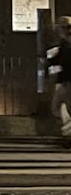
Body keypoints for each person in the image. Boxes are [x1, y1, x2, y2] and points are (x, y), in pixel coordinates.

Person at [47, 15, 71, 143]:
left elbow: (62, 62)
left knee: (58, 106)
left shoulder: (66, 44)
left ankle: (68, 133)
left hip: (67, 82)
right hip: (65, 82)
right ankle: (67, 133)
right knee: (60, 106)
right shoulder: (63, 44)